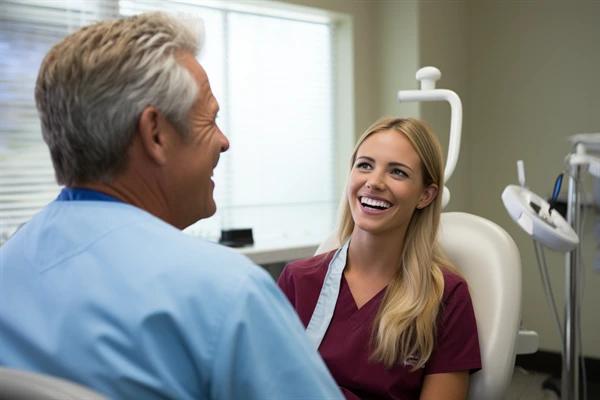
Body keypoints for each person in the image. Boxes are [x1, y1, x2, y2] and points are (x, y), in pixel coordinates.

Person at [0, 12, 343, 400]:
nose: (224, 141)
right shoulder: (224, 292)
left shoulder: (9, 267)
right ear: (156, 134)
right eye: (210, 120)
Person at [278, 117, 481, 400]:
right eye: (365, 165)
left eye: (397, 172)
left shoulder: (445, 297)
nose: (374, 182)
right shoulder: (298, 280)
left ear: (425, 195)